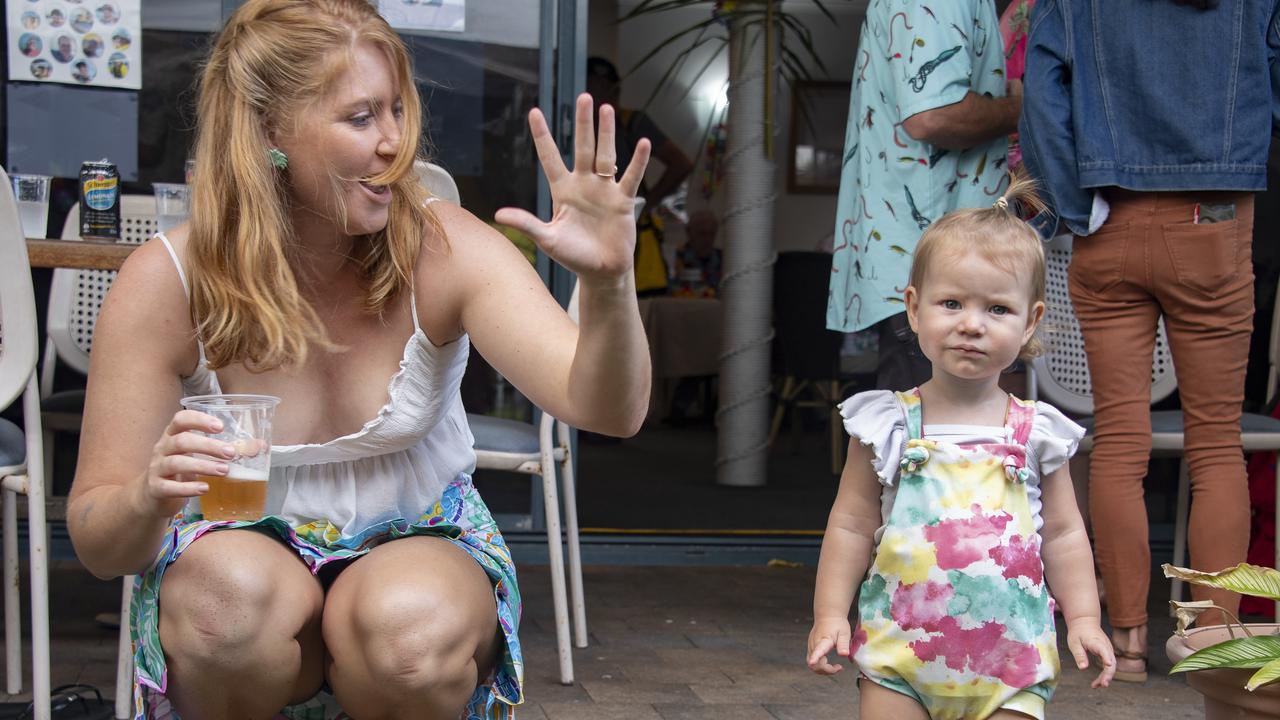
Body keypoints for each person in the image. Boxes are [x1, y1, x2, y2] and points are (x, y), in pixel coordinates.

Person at [65, 1, 652, 718]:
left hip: (420, 537)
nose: (396, 145)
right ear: (270, 130)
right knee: (222, 615)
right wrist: (146, 499)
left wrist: (608, 282)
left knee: (407, 637)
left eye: (399, 112)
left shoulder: (442, 246)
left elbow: (609, 410)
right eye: (362, 117)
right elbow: (100, 544)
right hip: (243, 549)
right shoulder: (169, 280)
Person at [1019, 0, 1280, 683]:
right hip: (1217, 210)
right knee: (1217, 442)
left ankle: (1128, 644)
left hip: (1109, 218)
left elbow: (1042, 99)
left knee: (1120, 440)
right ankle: (1214, 646)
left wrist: (1073, 210)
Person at [807, 178, 1116, 720]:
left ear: (1031, 322)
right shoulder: (888, 425)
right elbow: (851, 525)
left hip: (1011, 666)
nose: (971, 324)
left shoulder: (1036, 431)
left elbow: (1066, 534)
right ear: (914, 308)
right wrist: (831, 612)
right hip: (900, 661)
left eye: (997, 309)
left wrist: (1085, 617)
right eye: (951, 303)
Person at [826, 0, 1021, 392]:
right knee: (929, 442)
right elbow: (933, 115)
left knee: (930, 440)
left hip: (937, 268)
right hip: (936, 269)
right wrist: (1023, 108)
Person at [586, 56, 694, 296]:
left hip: (628, 235)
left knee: (630, 308)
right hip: (584, 231)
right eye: (590, 86)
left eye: (603, 88)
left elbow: (681, 164)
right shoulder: (567, 124)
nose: (597, 94)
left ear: (616, 92)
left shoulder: (631, 123)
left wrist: (646, 204)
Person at [672, 208, 721, 297]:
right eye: (702, 233)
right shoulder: (677, 258)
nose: (707, 239)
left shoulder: (723, 259)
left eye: (711, 233)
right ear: (689, 232)